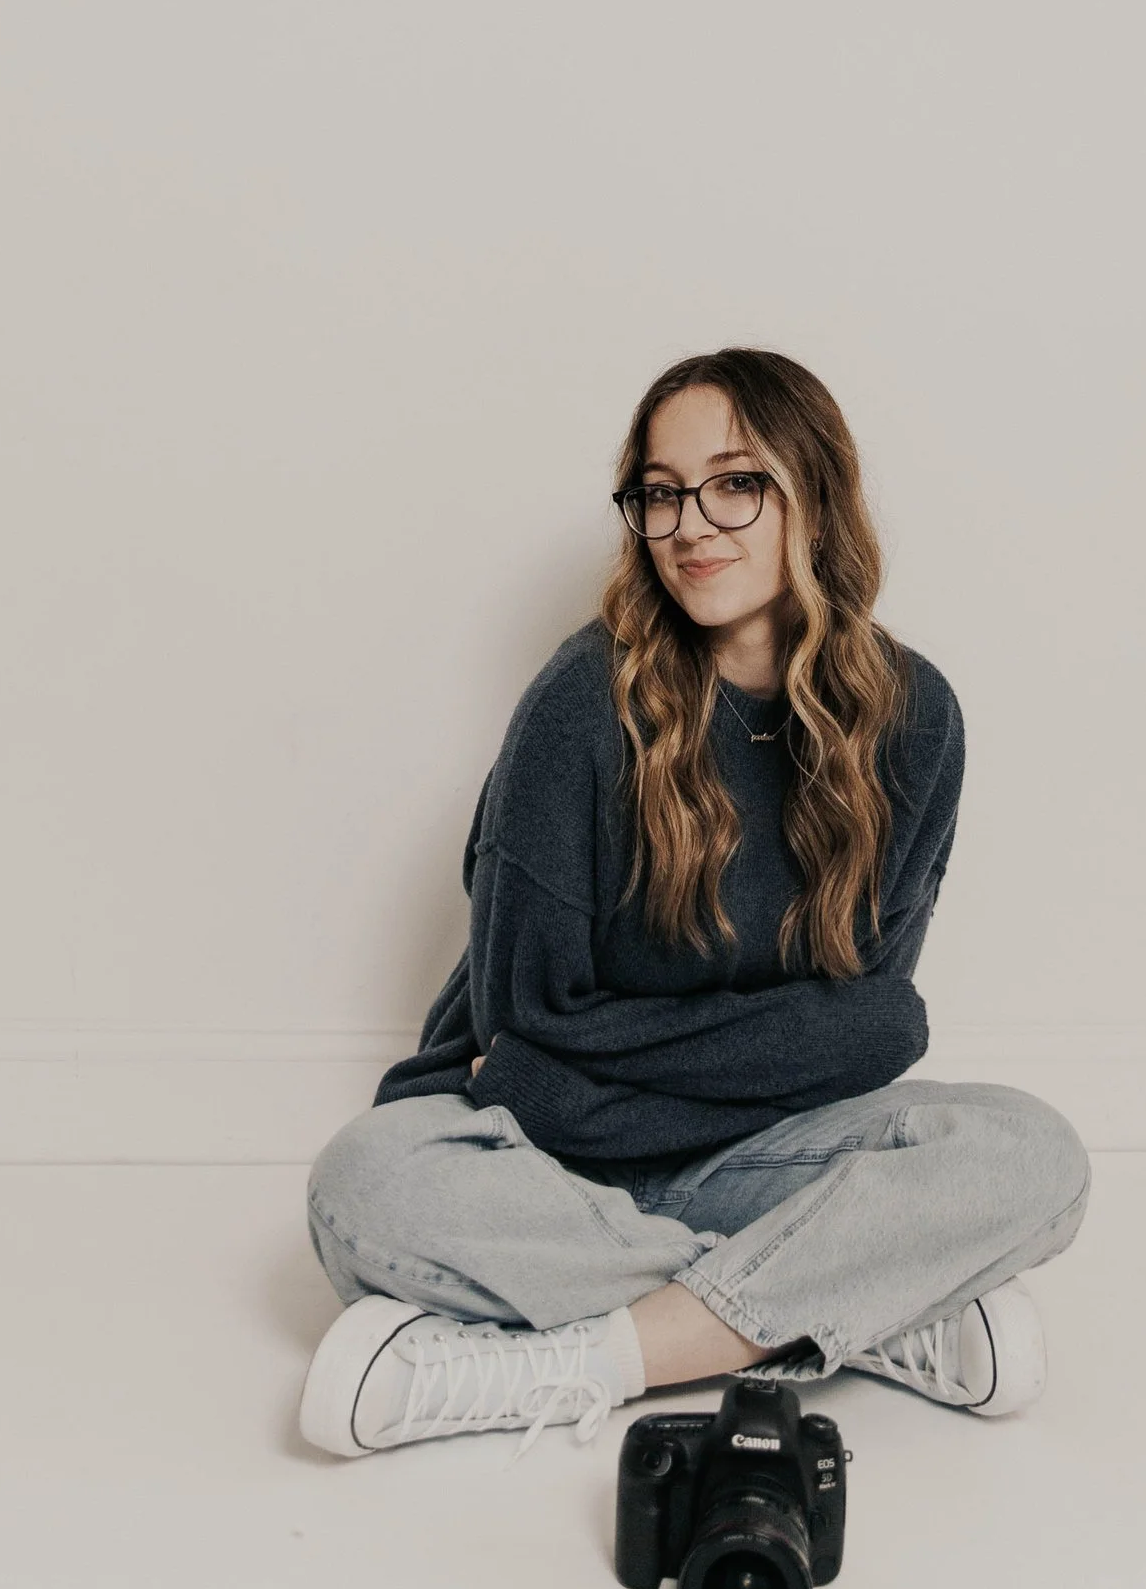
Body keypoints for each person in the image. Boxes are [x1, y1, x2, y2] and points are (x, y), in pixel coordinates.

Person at [299, 346, 1089, 1458]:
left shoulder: (913, 722)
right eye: (660, 492)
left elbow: (862, 1037)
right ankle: (850, 1318)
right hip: (536, 1158)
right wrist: (587, 1077)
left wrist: (618, 1068)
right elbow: (528, 1044)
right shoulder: (581, 706)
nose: (688, 524)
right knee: (364, 1186)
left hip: (758, 1154)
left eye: (734, 482)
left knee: (1031, 1156)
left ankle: (579, 1360)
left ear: (812, 496)